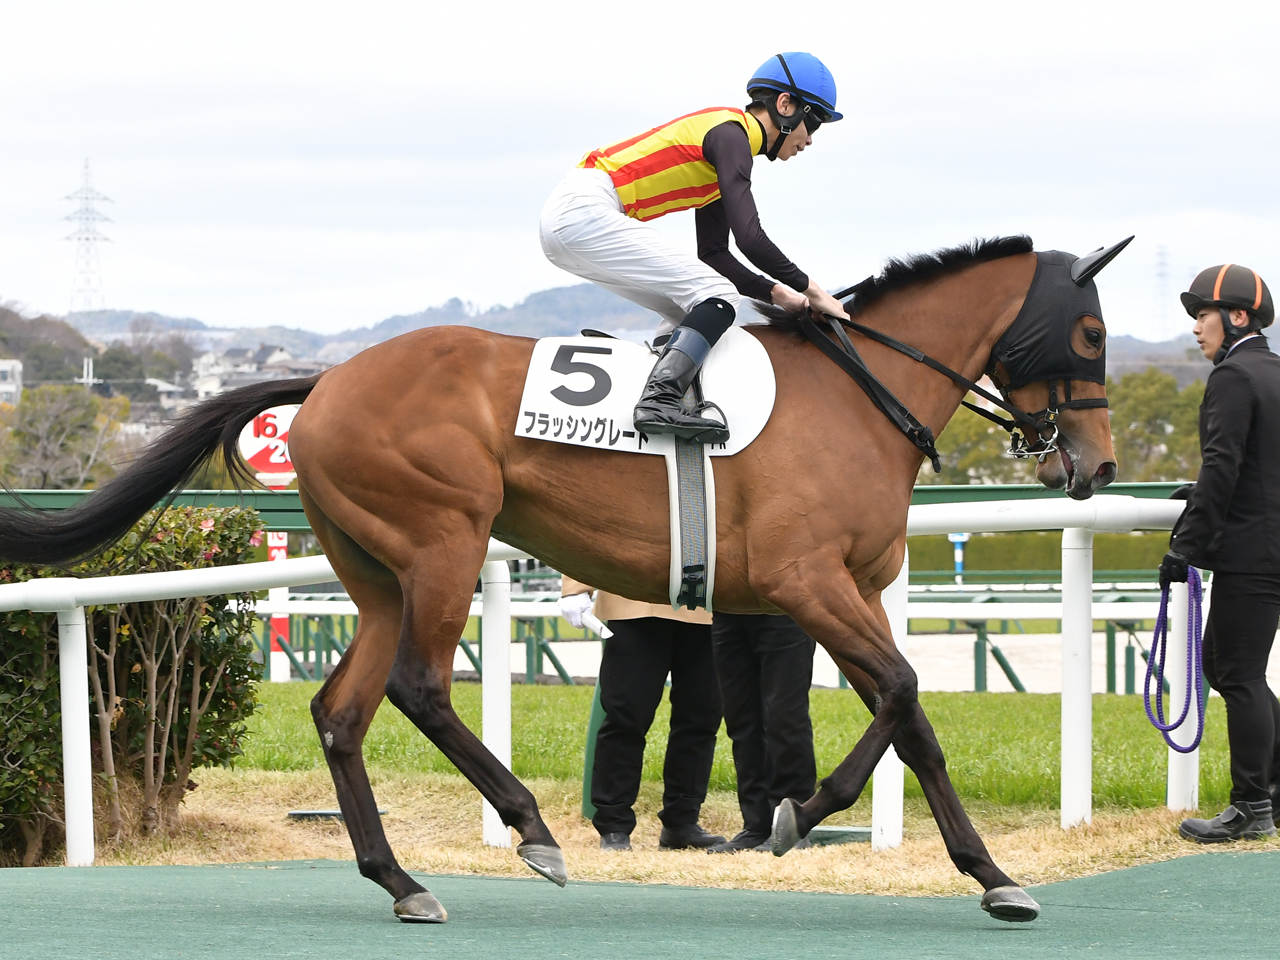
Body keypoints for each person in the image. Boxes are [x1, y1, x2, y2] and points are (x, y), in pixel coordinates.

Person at [540, 52, 848, 444]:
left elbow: (715, 255)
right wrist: (816, 292)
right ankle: (659, 401)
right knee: (719, 296)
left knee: (693, 306)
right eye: (814, 121)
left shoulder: (727, 146)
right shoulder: (732, 135)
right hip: (583, 209)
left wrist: (782, 295)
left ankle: (658, 388)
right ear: (785, 105)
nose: (811, 139)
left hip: (572, 219)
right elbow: (751, 238)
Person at [1162, 263, 1280, 843]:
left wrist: (1183, 547)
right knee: (1225, 665)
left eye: (1203, 315)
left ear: (1236, 316)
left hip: (1253, 552)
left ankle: (1251, 806)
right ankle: (1271, 793)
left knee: (1238, 673)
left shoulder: (1233, 376)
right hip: (1270, 545)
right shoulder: (1275, 371)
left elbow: (1223, 465)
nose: (1196, 327)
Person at [560, 578, 724, 851]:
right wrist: (575, 587)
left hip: (710, 600)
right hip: (635, 596)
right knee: (626, 714)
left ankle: (683, 820)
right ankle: (613, 823)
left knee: (701, 717)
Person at [706, 613, 817, 853]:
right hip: (730, 610)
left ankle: (795, 824)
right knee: (740, 719)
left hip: (784, 610)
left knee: (786, 717)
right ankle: (756, 824)